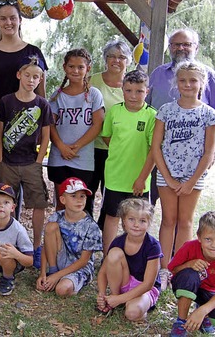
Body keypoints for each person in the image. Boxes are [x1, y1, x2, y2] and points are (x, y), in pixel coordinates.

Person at [151, 61, 215, 291]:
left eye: (193, 80)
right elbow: (156, 147)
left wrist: (191, 181)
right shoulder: (166, 110)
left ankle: (179, 268)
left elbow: (209, 152)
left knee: (185, 222)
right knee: (168, 220)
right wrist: (168, 178)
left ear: (202, 83)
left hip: (194, 177)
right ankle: (163, 269)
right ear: (176, 83)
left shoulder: (208, 114)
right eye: (183, 80)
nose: (188, 84)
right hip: (167, 174)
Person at [0, 0, 48, 218]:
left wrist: (38, 128)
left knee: (15, 182)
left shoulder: (33, 52)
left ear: (19, 21)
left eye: (12, 18)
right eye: (3, 18)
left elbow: (41, 93)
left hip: (22, 128)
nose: (8, 22)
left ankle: (11, 228)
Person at [146, 28, 215, 205]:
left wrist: (213, 151)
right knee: (149, 203)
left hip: (192, 160)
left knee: (184, 215)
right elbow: (145, 106)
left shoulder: (209, 76)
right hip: (158, 153)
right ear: (169, 48)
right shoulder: (157, 74)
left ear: (196, 48)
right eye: (176, 44)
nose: (181, 48)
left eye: (186, 44)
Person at [0, 55, 53, 269]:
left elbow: (46, 136)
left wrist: (39, 161)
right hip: (8, 163)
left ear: (40, 80)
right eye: (27, 75)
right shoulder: (6, 101)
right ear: (19, 75)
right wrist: (0, 160)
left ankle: (36, 247)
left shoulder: (42, 104)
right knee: (5, 203)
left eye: (35, 77)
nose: (30, 80)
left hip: (30, 163)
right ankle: (7, 246)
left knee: (38, 204)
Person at [98, 70, 156, 251]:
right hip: (115, 177)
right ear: (122, 90)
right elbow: (107, 137)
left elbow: (154, 151)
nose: (133, 95)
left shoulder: (152, 116)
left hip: (139, 181)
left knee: (137, 220)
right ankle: (108, 257)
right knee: (112, 216)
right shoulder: (115, 111)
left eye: (139, 91)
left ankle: (134, 255)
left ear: (147, 91)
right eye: (129, 90)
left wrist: (141, 178)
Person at [48, 48, 104, 212]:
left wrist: (77, 146)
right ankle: (59, 237)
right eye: (71, 66)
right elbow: (50, 125)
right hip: (59, 157)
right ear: (65, 67)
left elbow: (97, 125)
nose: (76, 70)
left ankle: (78, 237)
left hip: (83, 158)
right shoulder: (56, 96)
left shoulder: (93, 94)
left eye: (80, 67)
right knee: (62, 202)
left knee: (80, 204)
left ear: (88, 68)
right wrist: (61, 146)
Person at [168, 211, 215, 336]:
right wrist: (188, 264)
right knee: (189, 275)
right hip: (186, 285)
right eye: (208, 239)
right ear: (199, 237)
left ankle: (203, 317)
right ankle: (181, 322)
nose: (214, 245)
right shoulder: (189, 247)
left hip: (210, 292)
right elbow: (172, 270)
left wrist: (203, 310)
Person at [96, 199, 162, 321]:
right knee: (114, 254)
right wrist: (101, 294)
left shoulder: (153, 246)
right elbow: (103, 272)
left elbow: (148, 284)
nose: (136, 225)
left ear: (149, 223)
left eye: (142, 221)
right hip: (124, 282)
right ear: (124, 221)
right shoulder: (118, 241)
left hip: (144, 289)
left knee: (132, 313)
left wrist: (120, 299)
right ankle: (114, 297)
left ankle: (125, 302)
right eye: (131, 219)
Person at [36, 177, 103, 297]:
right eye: (73, 196)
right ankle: (52, 271)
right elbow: (46, 246)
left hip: (79, 267)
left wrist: (57, 277)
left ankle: (61, 279)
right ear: (62, 199)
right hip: (59, 259)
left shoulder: (91, 226)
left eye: (82, 196)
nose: (79, 200)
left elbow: (84, 261)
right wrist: (42, 274)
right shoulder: (56, 217)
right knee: (51, 227)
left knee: (62, 290)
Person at [87, 39, 131, 218]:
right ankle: (85, 229)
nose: (116, 60)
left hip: (118, 150)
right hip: (91, 147)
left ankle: (104, 231)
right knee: (87, 191)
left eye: (121, 57)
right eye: (111, 56)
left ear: (128, 60)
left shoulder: (132, 86)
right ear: (105, 59)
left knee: (111, 196)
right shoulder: (92, 80)